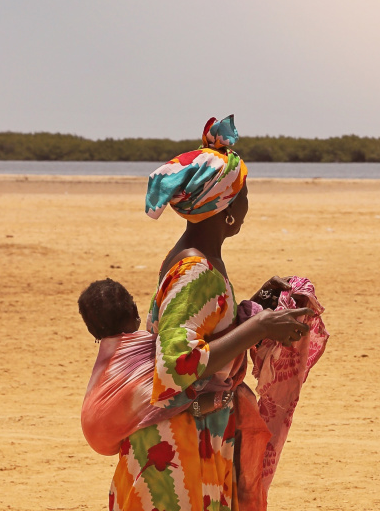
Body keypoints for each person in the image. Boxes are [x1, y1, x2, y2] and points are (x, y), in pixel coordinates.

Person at [99, 115, 312, 511]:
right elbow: (176, 364)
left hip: (195, 436)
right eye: (243, 193)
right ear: (224, 206)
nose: (248, 203)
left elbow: (206, 327)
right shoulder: (196, 269)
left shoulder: (201, 262)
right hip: (177, 452)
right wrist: (259, 327)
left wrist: (260, 304)